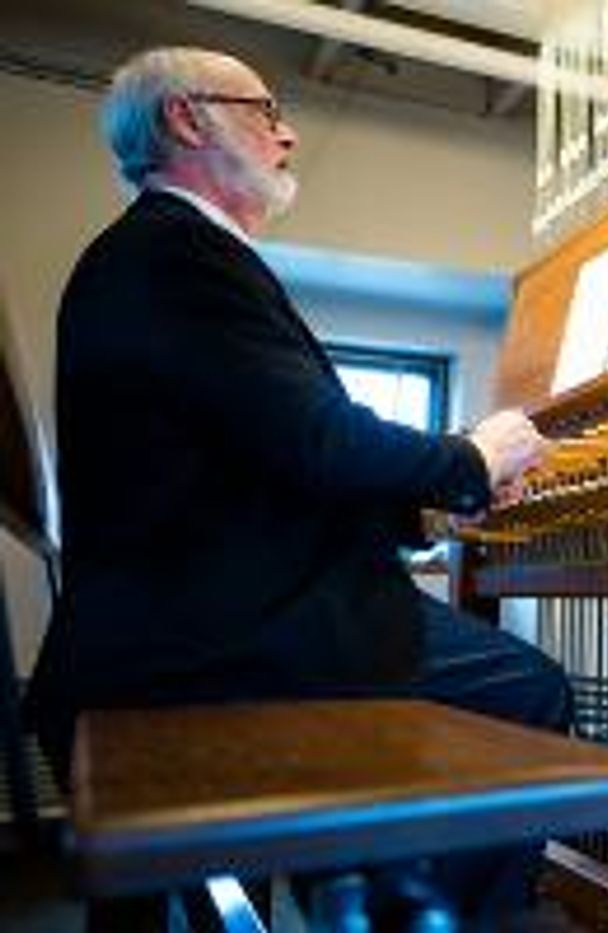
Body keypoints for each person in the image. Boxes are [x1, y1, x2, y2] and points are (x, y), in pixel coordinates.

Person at [23, 46, 572, 927]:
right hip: (212, 644)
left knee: (463, 669)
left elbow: (265, 458)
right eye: (264, 108)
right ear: (186, 118)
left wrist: (422, 505)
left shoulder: (157, 256)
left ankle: (357, 886)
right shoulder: (177, 253)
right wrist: (470, 457)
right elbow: (322, 438)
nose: (286, 130)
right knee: (525, 690)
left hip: (183, 620)